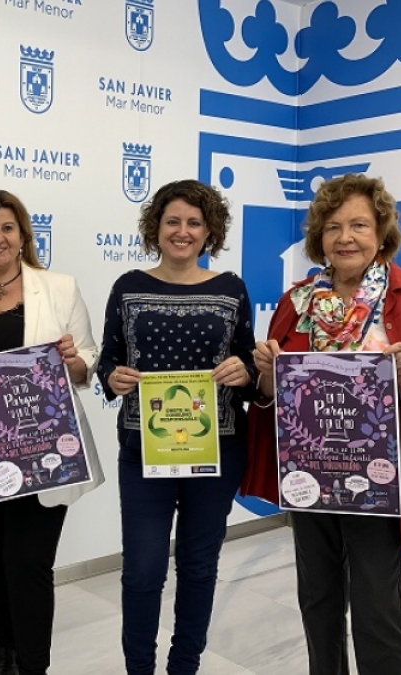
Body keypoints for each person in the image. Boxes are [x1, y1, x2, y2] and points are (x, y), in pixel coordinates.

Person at [242, 173, 401, 674]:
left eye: (359, 225)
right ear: (319, 237)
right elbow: (274, 398)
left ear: (381, 233)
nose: (345, 238)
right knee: (318, 599)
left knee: (378, 607)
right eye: (333, 227)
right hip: (309, 479)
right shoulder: (295, 303)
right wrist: (266, 376)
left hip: (378, 482)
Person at [0, 189, 105, 675]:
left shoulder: (60, 287)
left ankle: (33, 666)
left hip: (41, 449)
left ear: (23, 234)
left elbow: (88, 359)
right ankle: (3, 653)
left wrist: (73, 362)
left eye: (8, 227)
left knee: (29, 564)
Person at [97, 179, 256, 675]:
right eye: (173, 221)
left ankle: (184, 666)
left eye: (194, 222)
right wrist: (112, 377)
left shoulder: (231, 288)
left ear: (209, 231)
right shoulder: (128, 286)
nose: (182, 231)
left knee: (198, 567)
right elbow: (108, 359)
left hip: (218, 450)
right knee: (142, 571)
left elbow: (250, 362)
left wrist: (245, 370)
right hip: (143, 450)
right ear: (156, 227)